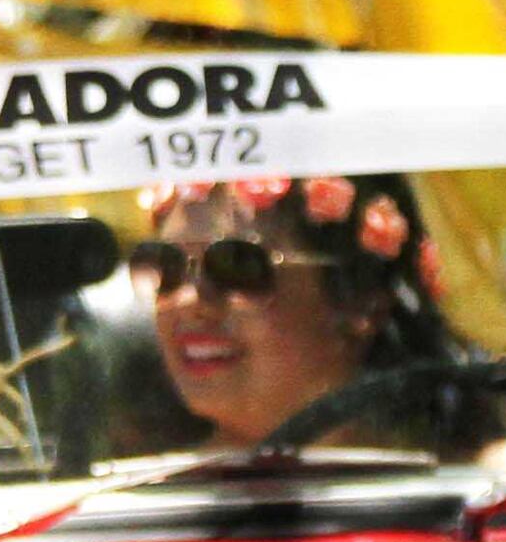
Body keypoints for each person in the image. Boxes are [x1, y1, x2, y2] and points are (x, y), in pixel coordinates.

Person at [132, 173, 456, 452]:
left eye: (236, 265)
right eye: (166, 266)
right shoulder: (127, 496)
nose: (186, 300)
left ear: (362, 301)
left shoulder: (473, 487)